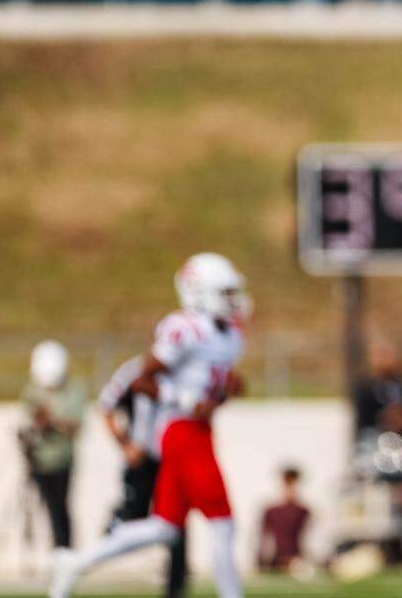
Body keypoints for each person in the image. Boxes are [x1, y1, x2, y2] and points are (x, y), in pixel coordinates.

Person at [50, 253, 252, 598]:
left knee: (165, 528)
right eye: (224, 292)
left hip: (199, 431)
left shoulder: (230, 335)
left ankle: (77, 562)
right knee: (222, 521)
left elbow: (212, 397)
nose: (232, 300)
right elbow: (142, 381)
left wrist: (226, 394)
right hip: (181, 431)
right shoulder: (184, 328)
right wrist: (186, 401)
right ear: (199, 292)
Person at [99, 355, 188, 597]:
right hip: (143, 458)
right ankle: (90, 554)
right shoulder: (132, 371)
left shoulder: (186, 370)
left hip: (172, 459)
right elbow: (106, 405)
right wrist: (125, 445)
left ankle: (175, 587)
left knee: (177, 523)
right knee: (135, 514)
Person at [21, 340, 85, 552]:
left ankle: (64, 551)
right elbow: (28, 417)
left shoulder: (74, 389)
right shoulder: (33, 388)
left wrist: (53, 420)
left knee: (59, 509)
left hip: (61, 459)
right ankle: (54, 551)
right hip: (38, 458)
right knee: (46, 508)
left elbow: (75, 426)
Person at [257, 466, 311, 573]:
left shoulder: (303, 511)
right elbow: (264, 539)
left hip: (297, 558)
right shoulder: (271, 511)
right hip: (275, 560)